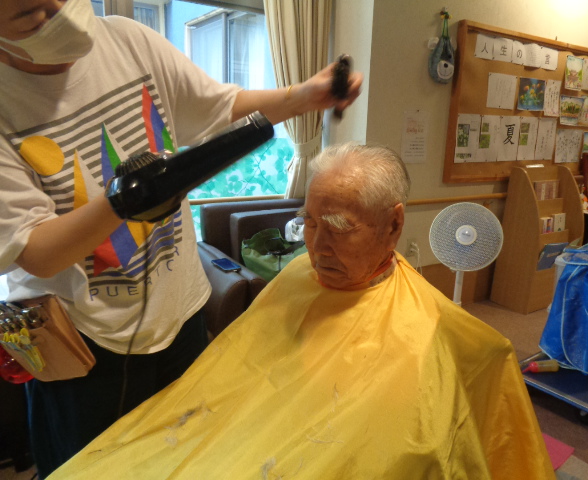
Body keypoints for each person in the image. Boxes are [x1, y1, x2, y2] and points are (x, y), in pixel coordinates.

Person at [0, 0, 363, 477]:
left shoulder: (129, 41)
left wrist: (301, 97)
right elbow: (36, 251)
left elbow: (218, 108)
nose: (60, 19)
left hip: (182, 311)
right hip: (87, 344)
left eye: (64, 1)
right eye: (32, 15)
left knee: (188, 457)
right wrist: (125, 201)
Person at [50, 143, 555, 479]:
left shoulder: (435, 326)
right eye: (308, 222)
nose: (316, 246)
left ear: (393, 225)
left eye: (337, 227)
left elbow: (483, 387)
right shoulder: (297, 275)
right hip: (235, 430)